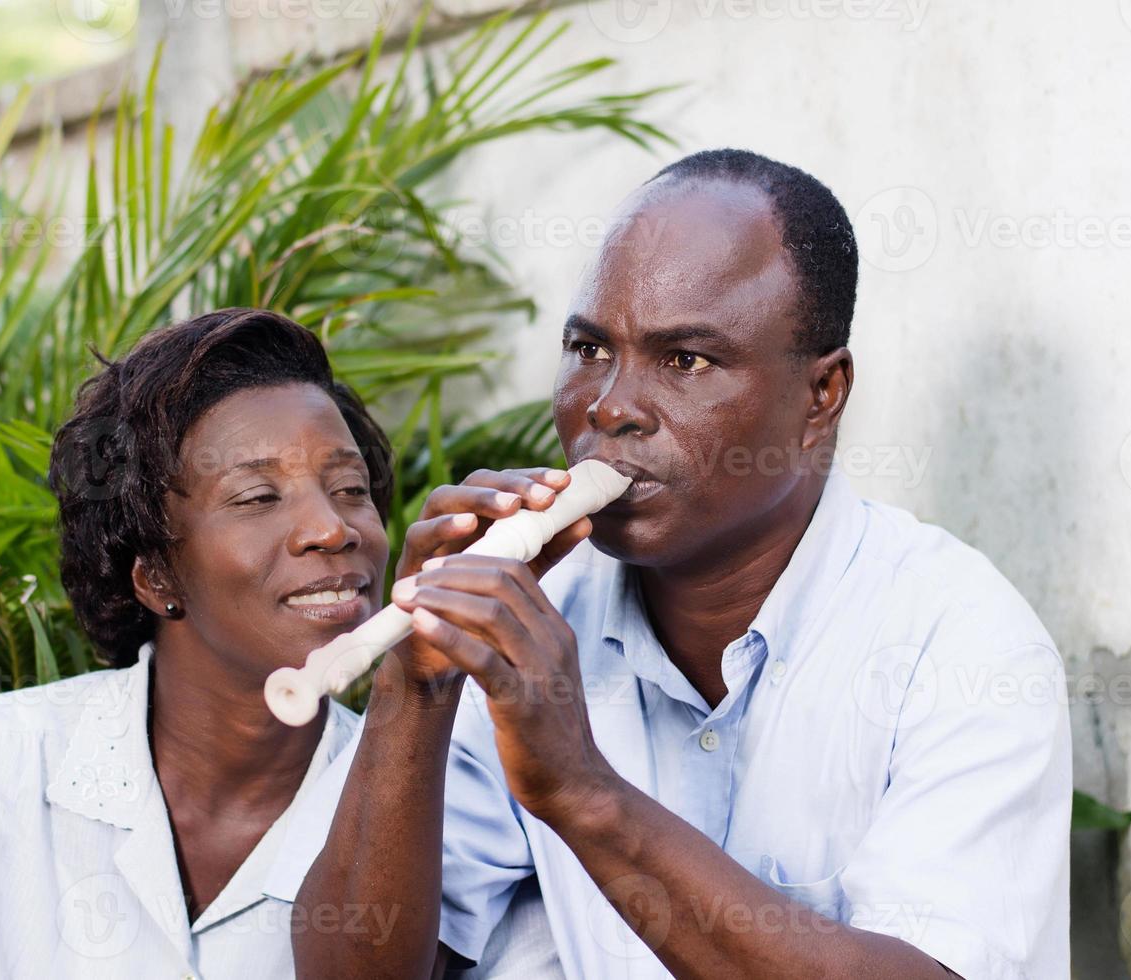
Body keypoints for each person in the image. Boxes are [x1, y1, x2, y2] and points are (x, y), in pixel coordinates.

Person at [294, 149, 1072, 979]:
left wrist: (584, 793)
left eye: (686, 360)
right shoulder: (528, 623)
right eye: (589, 348)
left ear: (822, 397)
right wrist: (414, 687)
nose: (612, 405)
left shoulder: (961, 644)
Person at [0, 308, 401, 977]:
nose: (332, 528)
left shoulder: (431, 796)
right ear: (154, 574)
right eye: (258, 497)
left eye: (350, 488)